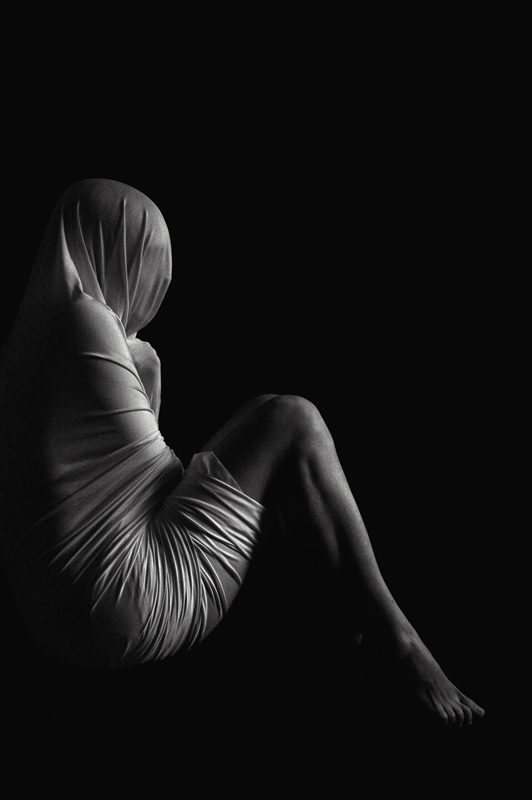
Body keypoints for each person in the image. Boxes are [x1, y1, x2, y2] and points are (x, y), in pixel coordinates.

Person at [0, 178, 485, 727]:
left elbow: (123, 475)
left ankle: (352, 629)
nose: (155, 283)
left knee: (274, 473)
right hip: (126, 596)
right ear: (115, 248)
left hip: (54, 620)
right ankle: (398, 643)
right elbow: (154, 472)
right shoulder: (84, 322)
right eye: (149, 261)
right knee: (290, 420)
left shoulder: (27, 343)